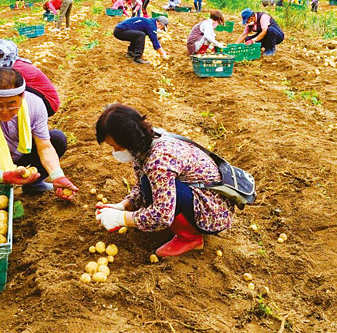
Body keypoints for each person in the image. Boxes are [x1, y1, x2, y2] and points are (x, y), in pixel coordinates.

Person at [94, 104, 234, 257]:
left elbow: (162, 216)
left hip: (213, 212)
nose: (115, 152)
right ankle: (184, 223)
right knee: (147, 184)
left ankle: (190, 237)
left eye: (116, 146)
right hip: (201, 193)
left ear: (127, 140)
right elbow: (141, 185)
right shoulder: (144, 143)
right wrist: (122, 206)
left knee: (150, 186)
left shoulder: (159, 160)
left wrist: (121, 219)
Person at [0, 68, 78, 199]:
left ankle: (34, 184)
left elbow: (45, 147)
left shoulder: (35, 104)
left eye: (11, 104)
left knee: (57, 139)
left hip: (16, 155)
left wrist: (57, 176)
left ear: (22, 96)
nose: (4, 111)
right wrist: (3, 176)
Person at [0, 39, 60, 117]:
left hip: (48, 103)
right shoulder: (14, 65)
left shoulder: (16, 68)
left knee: (8, 90)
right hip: (44, 100)